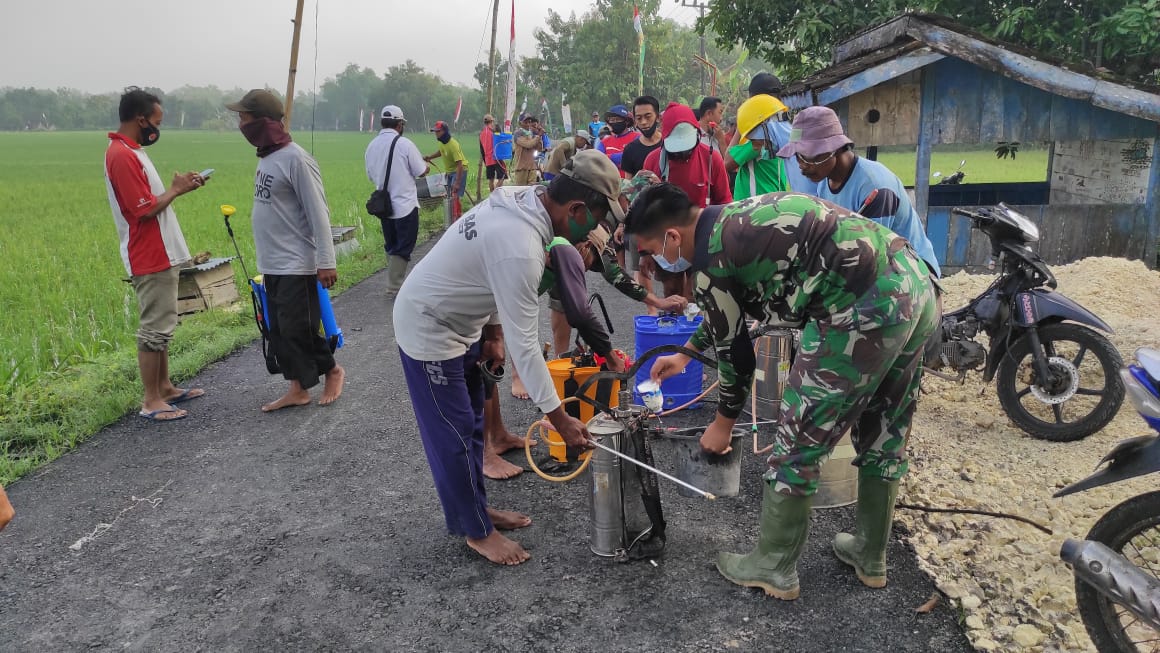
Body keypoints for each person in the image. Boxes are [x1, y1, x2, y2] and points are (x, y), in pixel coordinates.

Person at [629, 184, 939, 600]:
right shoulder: (728, 224)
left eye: (648, 251)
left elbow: (737, 356)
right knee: (886, 422)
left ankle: (773, 565)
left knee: (799, 433)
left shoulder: (708, 258)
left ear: (671, 236)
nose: (651, 263)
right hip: (912, 286)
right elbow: (729, 312)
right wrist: (686, 354)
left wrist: (722, 425)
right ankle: (870, 555)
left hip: (859, 303)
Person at [393, 150, 624, 565]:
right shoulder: (521, 247)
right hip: (429, 326)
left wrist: (493, 332)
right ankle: (476, 531)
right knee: (454, 431)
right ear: (575, 210)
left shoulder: (524, 200)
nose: (595, 231)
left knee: (474, 422)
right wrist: (560, 419)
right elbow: (528, 348)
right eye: (597, 220)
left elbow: (490, 273)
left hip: (462, 322)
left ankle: (477, 511)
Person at [226, 89, 345, 412]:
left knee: (298, 328)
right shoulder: (268, 157)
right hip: (273, 262)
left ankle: (333, 370)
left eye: (244, 118)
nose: (240, 124)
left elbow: (318, 212)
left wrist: (325, 261)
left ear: (262, 121)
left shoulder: (296, 159)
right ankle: (297, 388)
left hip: (297, 261)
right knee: (278, 330)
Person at [104, 86, 207, 422]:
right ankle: (151, 400)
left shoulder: (132, 150)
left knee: (164, 324)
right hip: (148, 252)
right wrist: (175, 190)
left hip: (162, 249)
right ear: (140, 118)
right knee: (154, 328)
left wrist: (181, 187)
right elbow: (143, 210)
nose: (157, 129)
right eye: (156, 121)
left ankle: (164, 387)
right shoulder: (121, 155)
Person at [777, 106, 942, 278]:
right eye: (797, 156)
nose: (802, 165)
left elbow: (872, 259)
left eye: (808, 156)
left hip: (913, 273)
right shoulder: (825, 182)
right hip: (867, 261)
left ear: (834, 148)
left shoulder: (876, 187)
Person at [643, 102, 732, 300]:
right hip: (665, 240)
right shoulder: (653, 161)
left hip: (703, 237)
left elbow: (725, 203)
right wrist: (645, 252)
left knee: (696, 295)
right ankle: (673, 328)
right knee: (671, 292)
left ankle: (695, 328)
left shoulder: (712, 159)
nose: (682, 153)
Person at [365, 105, 430, 297]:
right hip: (405, 205)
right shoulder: (405, 145)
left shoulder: (371, 146)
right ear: (400, 124)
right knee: (403, 246)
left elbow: (370, 175)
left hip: (384, 206)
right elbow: (420, 171)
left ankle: (395, 282)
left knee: (392, 243)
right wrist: (425, 167)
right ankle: (395, 287)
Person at [724, 72, 812, 195]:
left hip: (754, 206)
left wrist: (740, 127)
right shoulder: (783, 129)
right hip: (775, 200)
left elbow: (726, 163)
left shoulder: (759, 139)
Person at [619, 96, 665, 295]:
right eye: (639, 118)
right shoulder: (630, 150)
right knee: (642, 270)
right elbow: (628, 189)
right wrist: (623, 223)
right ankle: (652, 311)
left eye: (648, 116)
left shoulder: (670, 145)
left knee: (671, 271)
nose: (644, 122)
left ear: (658, 117)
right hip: (640, 219)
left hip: (667, 217)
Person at [729, 94, 791, 200]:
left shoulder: (800, 154)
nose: (755, 148)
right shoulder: (789, 148)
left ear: (766, 129)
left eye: (754, 140)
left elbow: (727, 162)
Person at [424, 120, 469, 220]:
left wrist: (457, 182)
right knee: (450, 196)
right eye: (435, 131)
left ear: (444, 131)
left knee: (455, 194)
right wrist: (430, 157)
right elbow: (441, 152)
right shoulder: (441, 142)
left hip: (460, 170)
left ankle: (457, 218)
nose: (436, 134)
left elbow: (460, 164)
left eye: (438, 131)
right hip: (450, 171)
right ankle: (453, 217)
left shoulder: (453, 144)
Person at [595, 104, 638, 177]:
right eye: (612, 120)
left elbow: (632, 158)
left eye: (617, 119)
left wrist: (607, 157)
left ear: (626, 121)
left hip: (630, 184)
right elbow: (597, 160)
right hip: (609, 184)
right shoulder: (604, 142)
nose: (614, 122)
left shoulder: (637, 138)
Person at [512, 113, 542, 186]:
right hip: (521, 168)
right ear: (520, 123)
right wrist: (538, 136)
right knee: (521, 192)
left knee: (531, 191)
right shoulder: (518, 133)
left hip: (532, 167)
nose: (528, 124)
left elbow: (539, 149)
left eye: (529, 122)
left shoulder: (531, 134)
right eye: (525, 122)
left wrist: (538, 136)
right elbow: (528, 145)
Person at [479, 114, 506, 191]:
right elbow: (500, 143)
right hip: (496, 158)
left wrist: (485, 161)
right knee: (502, 176)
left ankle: (492, 196)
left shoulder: (481, 134)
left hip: (488, 160)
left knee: (491, 179)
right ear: (492, 121)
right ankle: (495, 194)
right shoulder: (494, 132)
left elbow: (482, 150)